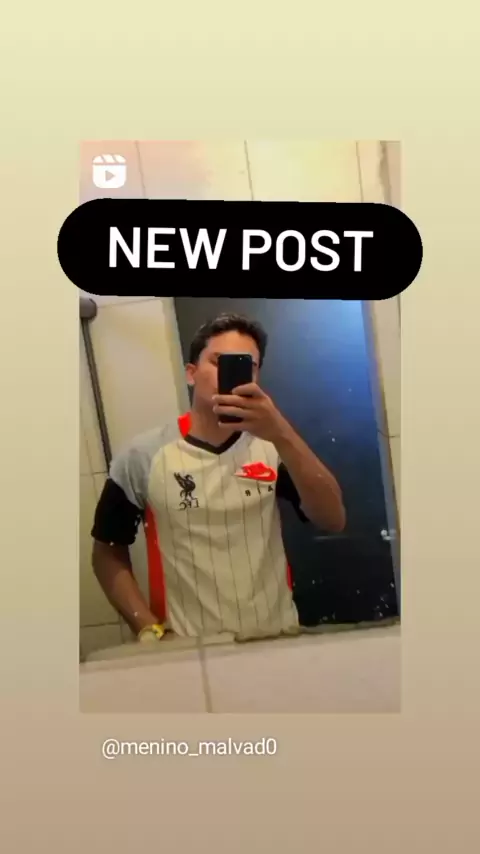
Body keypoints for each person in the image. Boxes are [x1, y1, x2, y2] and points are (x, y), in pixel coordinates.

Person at [91, 313, 345, 643]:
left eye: (246, 365)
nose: (231, 374)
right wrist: (149, 629)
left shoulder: (276, 448)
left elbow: (333, 519)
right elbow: (107, 552)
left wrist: (282, 432)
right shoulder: (143, 456)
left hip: (277, 639)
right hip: (186, 648)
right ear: (191, 373)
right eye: (217, 361)